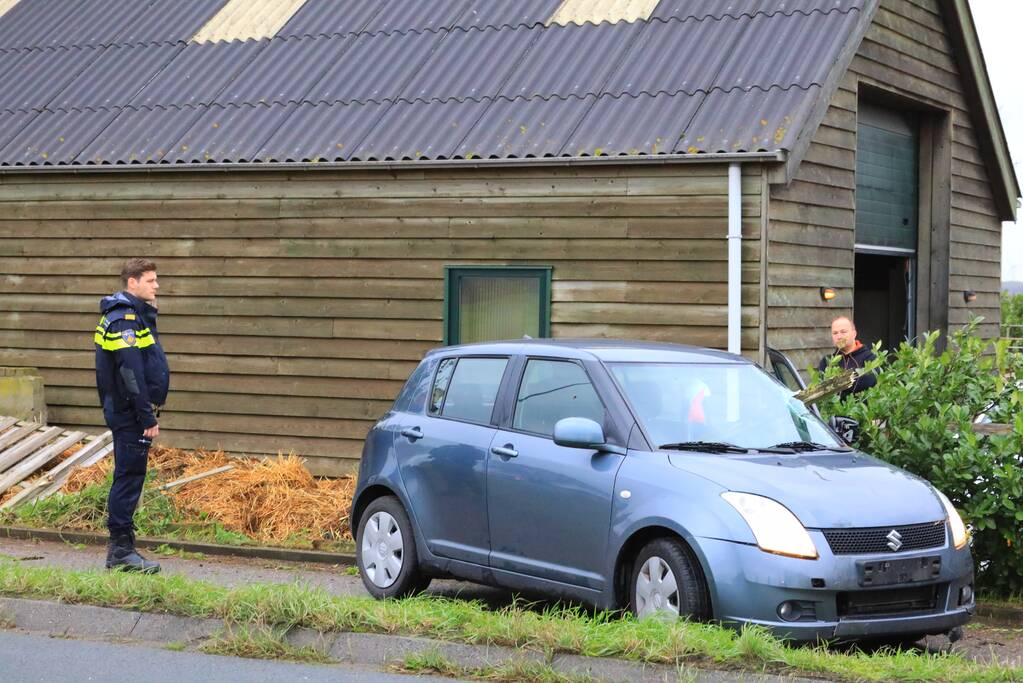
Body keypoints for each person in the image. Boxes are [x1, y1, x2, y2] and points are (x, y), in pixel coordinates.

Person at [94, 258, 169, 573]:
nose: (156, 286)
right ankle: (121, 552)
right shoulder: (124, 319)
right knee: (129, 478)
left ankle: (122, 551)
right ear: (132, 282)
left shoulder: (133, 315)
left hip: (129, 412)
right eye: (150, 280)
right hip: (130, 414)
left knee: (129, 476)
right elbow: (130, 373)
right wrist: (146, 417)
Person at [817, 316, 877, 397]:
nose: (839, 337)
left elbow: (866, 383)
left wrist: (832, 383)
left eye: (843, 332)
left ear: (854, 334)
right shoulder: (827, 361)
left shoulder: (870, 358)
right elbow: (819, 388)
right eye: (835, 333)